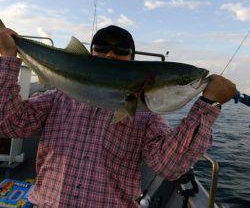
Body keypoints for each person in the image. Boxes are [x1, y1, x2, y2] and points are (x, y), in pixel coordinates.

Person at [0, 25, 237, 207]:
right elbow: (8, 123)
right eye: (101, 49)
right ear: (89, 54)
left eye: (121, 50)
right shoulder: (57, 98)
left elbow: (169, 167)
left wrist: (207, 104)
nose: (110, 55)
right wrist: (9, 58)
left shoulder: (147, 118)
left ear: (132, 60)